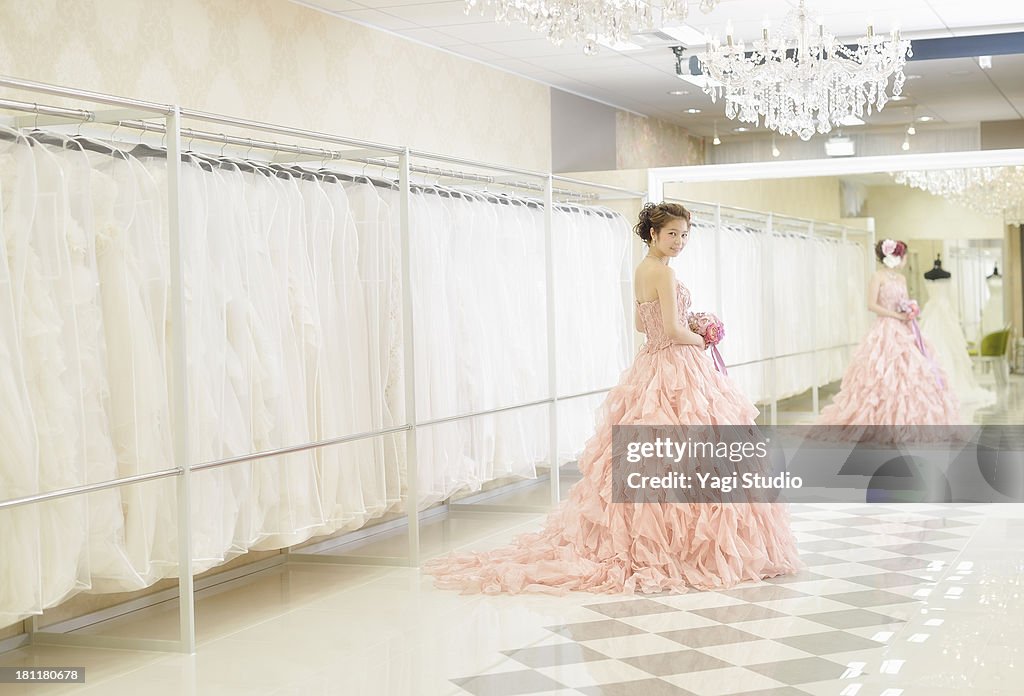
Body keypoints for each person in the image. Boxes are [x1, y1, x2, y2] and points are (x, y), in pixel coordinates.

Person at [422, 202, 801, 595]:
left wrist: (687, 325)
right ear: (652, 234)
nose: (680, 241)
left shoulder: (641, 271)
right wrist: (705, 337)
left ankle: (653, 537)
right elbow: (671, 330)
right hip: (677, 365)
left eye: (685, 234)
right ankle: (684, 547)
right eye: (672, 233)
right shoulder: (665, 276)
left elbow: (642, 323)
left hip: (651, 365)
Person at [817, 239, 959, 437]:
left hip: (904, 327)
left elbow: (904, 300)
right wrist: (896, 315)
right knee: (883, 371)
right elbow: (871, 305)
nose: (905, 260)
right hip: (885, 327)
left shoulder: (901, 279)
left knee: (911, 372)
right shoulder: (877, 277)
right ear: (894, 257)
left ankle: (908, 419)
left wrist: (909, 310)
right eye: (904, 256)